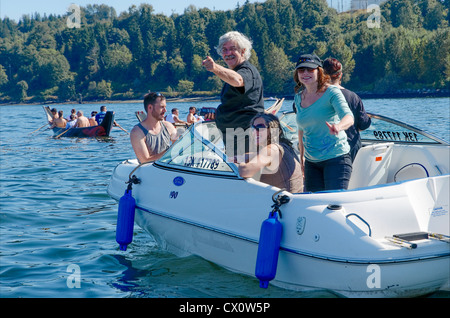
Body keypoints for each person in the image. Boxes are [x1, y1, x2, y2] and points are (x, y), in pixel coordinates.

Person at [293, 53, 354, 192]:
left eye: (310, 69)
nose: (305, 73)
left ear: (319, 71)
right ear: (297, 74)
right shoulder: (298, 98)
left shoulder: (332, 92)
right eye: (301, 70)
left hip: (336, 158)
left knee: (334, 203)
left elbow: (349, 117)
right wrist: (301, 158)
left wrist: (338, 126)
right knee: (313, 205)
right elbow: (302, 130)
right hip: (311, 163)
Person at [203, 31, 264, 156]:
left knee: (247, 173)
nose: (228, 53)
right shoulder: (232, 73)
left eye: (232, 49)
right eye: (224, 50)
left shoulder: (247, 71)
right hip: (234, 138)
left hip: (246, 138)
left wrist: (214, 68)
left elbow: (238, 80)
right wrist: (218, 114)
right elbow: (237, 104)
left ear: (242, 51)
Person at [238, 113, 303, 193]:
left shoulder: (271, 149)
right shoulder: (284, 146)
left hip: (283, 202)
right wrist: (246, 156)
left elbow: (245, 172)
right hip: (294, 199)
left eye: (260, 127)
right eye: (253, 128)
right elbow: (260, 154)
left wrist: (239, 163)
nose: (255, 131)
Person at [323, 58, 371, 162]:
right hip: (351, 147)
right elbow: (363, 124)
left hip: (324, 148)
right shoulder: (353, 97)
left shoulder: (313, 97)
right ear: (340, 75)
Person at [130, 92, 178, 163]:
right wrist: (170, 151)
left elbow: (178, 146)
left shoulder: (168, 126)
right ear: (150, 108)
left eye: (165, 107)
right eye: (162, 107)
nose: (165, 110)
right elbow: (145, 160)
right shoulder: (137, 132)